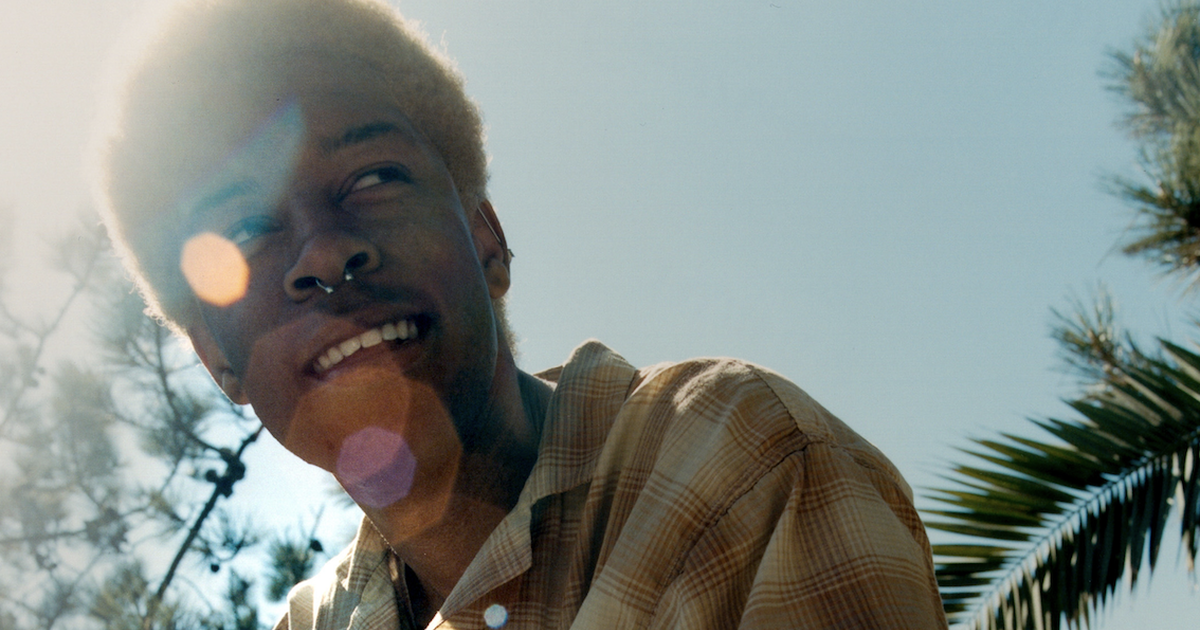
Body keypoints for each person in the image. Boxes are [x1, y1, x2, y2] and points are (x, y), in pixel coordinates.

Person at [93, 0, 948, 627]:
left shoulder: (733, 462)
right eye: (245, 231)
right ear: (219, 361)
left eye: (373, 177)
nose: (323, 252)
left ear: (486, 238)